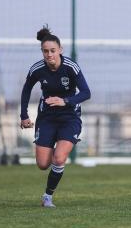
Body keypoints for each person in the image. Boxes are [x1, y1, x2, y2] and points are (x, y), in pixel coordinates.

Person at [20, 25, 91, 208]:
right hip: (47, 118)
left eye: (52, 50)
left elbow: (86, 93)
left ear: (60, 50)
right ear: (42, 52)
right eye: (45, 51)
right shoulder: (37, 69)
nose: (49, 54)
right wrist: (24, 115)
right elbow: (27, 89)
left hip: (69, 117)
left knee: (59, 158)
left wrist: (65, 101)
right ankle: (50, 150)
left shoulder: (70, 67)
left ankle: (47, 196)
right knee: (43, 164)